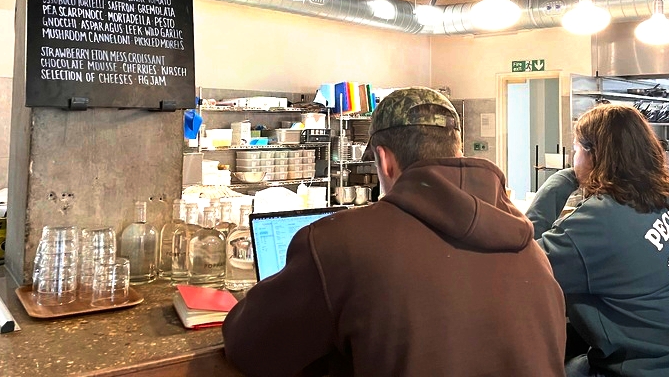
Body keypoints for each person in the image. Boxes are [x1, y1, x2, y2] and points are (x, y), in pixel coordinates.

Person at [223, 86, 567, 377]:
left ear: (385, 160)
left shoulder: (338, 243)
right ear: (457, 151)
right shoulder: (530, 250)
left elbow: (250, 346)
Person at [528, 104, 669, 377]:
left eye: (576, 149)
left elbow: (526, 265)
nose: (574, 158)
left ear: (593, 154)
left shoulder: (598, 219)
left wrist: (561, 181)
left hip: (655, 369)